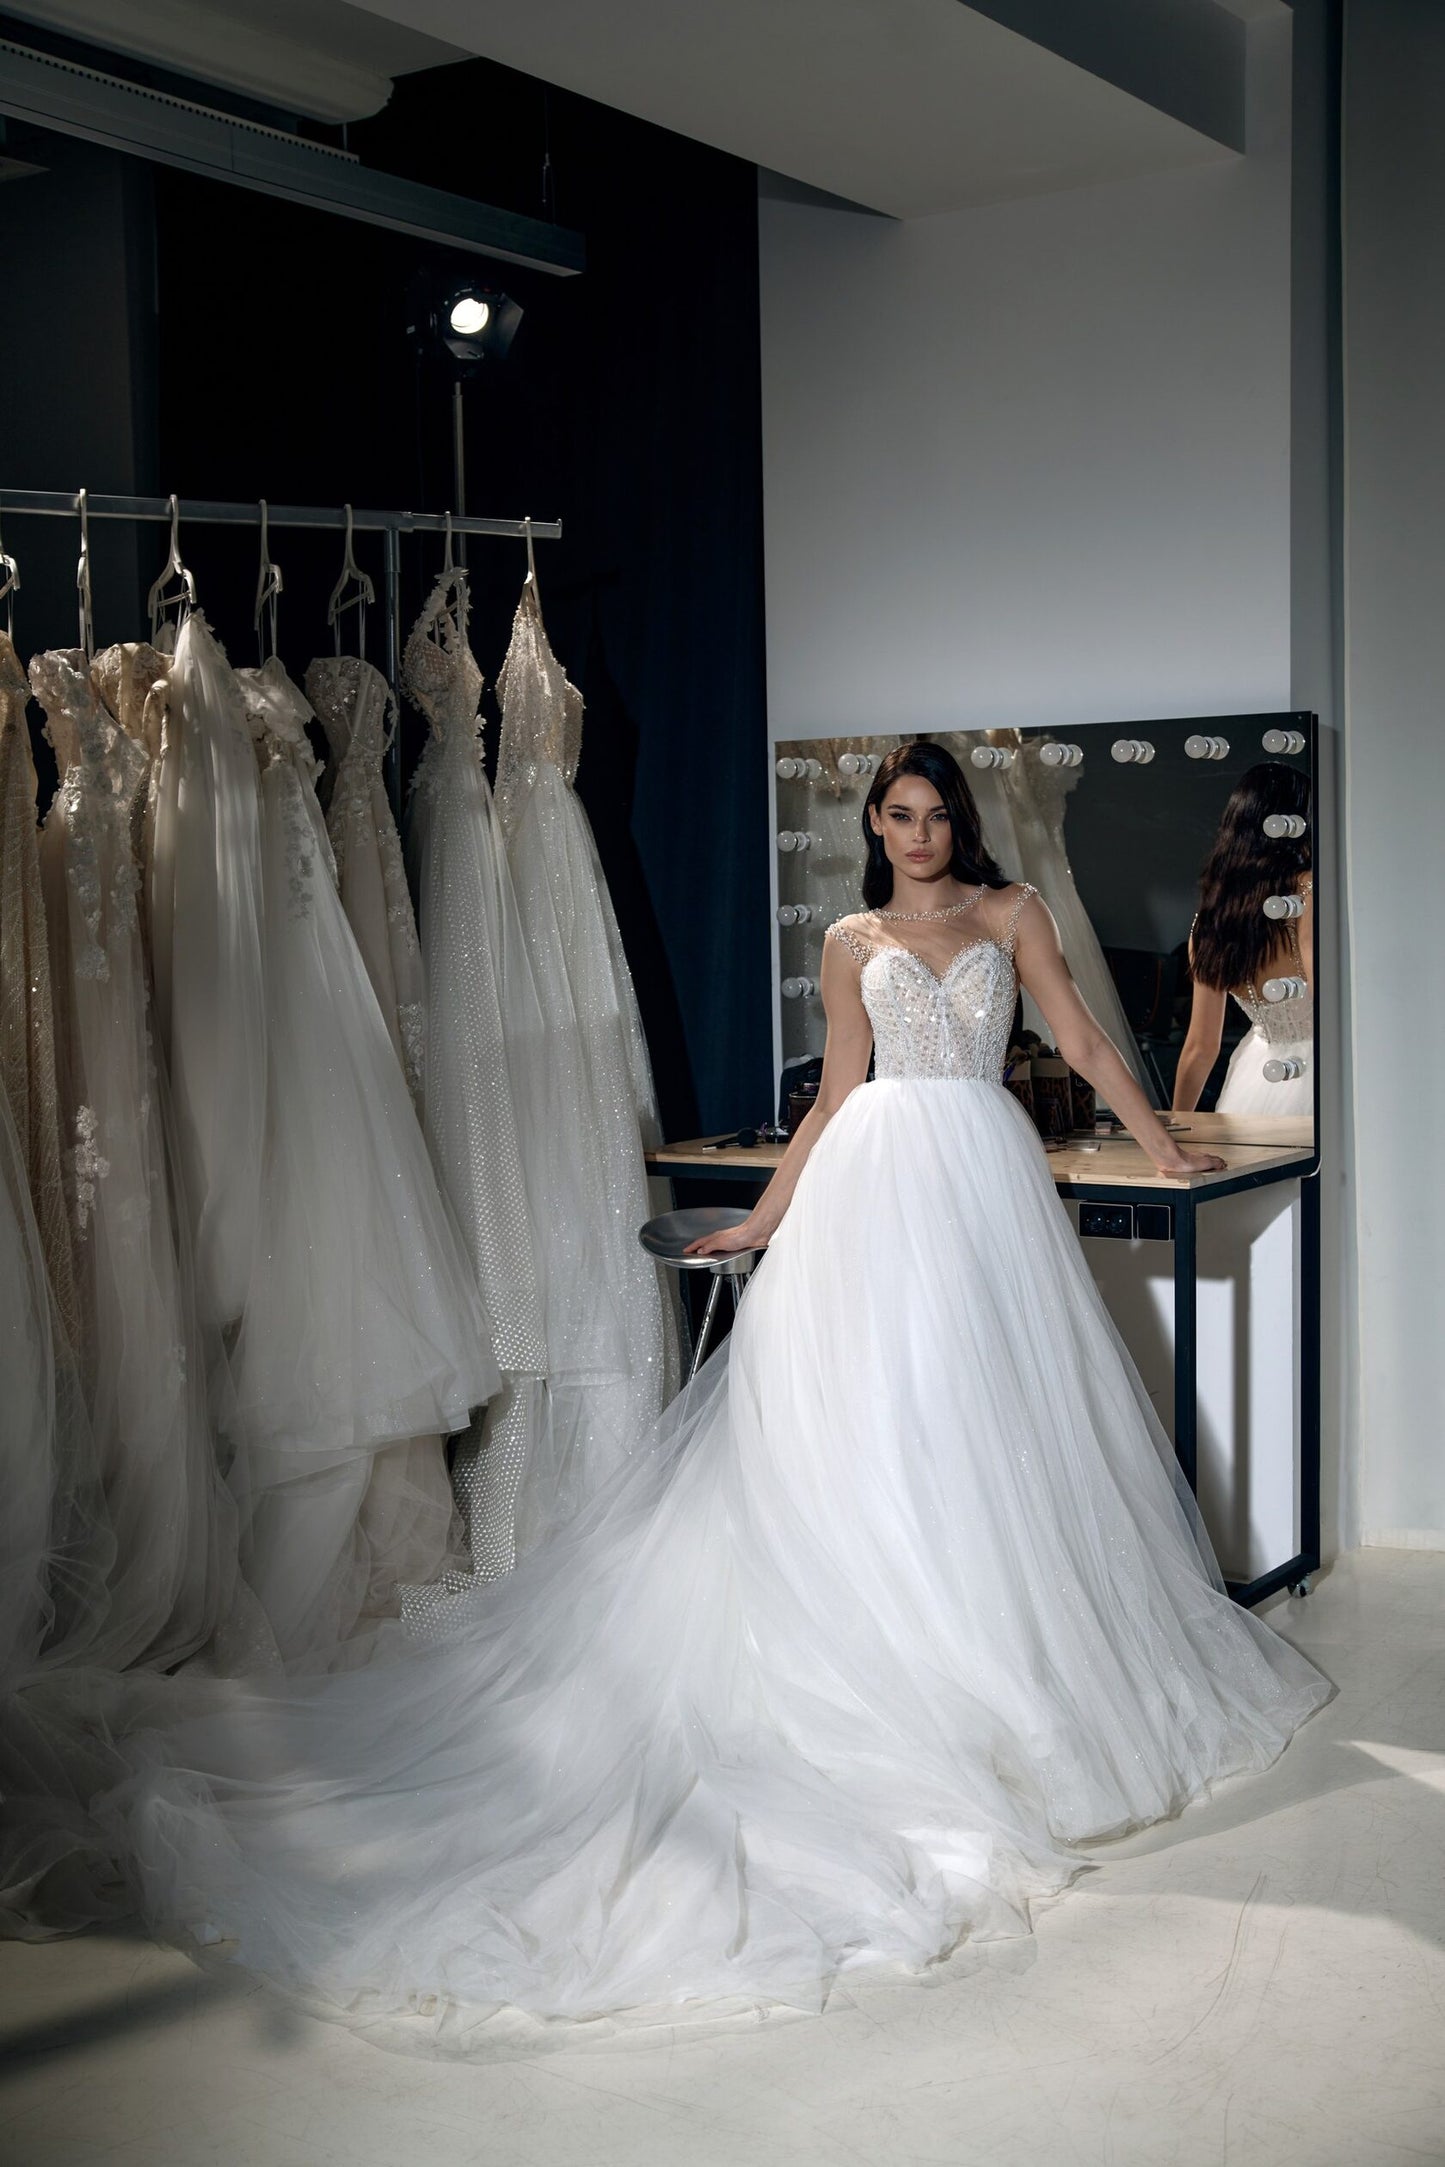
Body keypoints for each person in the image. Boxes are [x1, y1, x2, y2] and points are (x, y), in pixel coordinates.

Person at [90, 742, 1326, 2046]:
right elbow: (836, 1094)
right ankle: (900, 1654)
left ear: (964, 821)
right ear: (874, 824)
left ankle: (997, 1663)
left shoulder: (1011, 913)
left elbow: (1075, 1033)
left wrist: (1154, 1135)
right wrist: (763, 1223)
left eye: (934, 813)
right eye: (894, 815)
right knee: (879, 1428)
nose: (915, 833)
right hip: (872, 1185)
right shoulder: (850, 939)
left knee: (986, 1428)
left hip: (982, 1179)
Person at [1172, 764, 1314, 1117]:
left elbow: (1201, 1047)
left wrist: (1175, 1126)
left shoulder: (1212, 920)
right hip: (1315, 1072)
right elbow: (1329, 1004)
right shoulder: (1309, 892)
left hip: (1254, 1079)